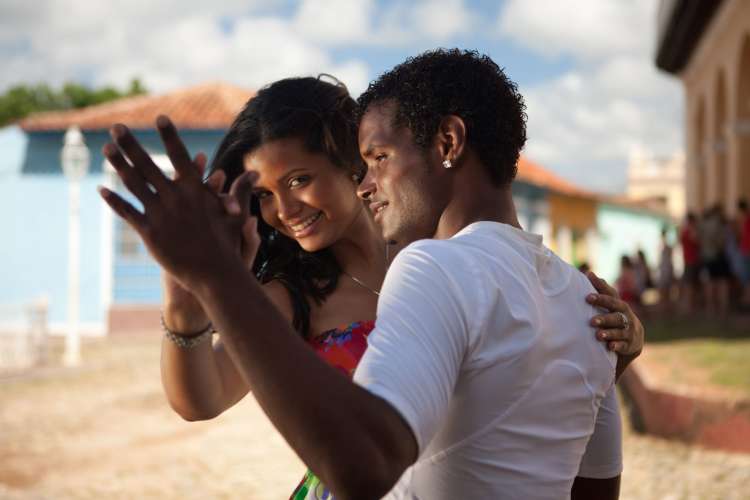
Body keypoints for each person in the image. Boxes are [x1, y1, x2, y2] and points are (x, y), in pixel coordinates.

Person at [99, 49, 643, 499]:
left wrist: (606, 349)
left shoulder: (446, 261)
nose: (284, 209)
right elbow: (200, 399)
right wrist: (187, 308)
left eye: (299, 179)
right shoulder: (296, 295)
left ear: (350, 162)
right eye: (263, 195)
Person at [679, 211, 701, 312]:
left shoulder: (688, 230)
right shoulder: (689, 230)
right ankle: (690, 305)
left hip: (691, 260)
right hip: (690, 260)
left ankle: (690, 305)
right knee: (689, 284)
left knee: (690, 284)